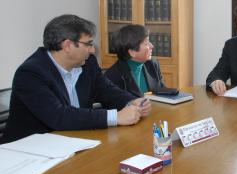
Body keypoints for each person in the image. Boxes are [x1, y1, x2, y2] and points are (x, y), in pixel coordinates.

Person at [0, 14, 151, 144]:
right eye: (89, 44)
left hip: (73, 141)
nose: (93, 50)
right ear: (67, 45)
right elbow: (59, 116)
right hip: (27, 154)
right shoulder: (31, 73)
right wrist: (116, 117)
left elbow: (107, 90)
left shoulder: (87, 63)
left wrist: (131, 101)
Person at [105, 24, 165, 97]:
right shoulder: (113, 76)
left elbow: (163, 93)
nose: (152, 46)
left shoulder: (152, 64)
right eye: (146, 43)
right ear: (132, 52)